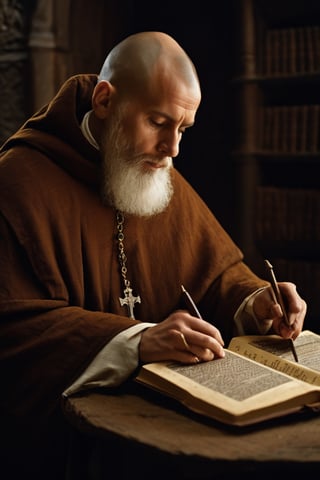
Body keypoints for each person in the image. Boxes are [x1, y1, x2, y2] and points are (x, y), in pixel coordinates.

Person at [0, 31, 306, 478]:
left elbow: (214, 273)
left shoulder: (151, 170)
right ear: (104, 100)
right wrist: (137, 339)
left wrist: (256, 299)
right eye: (159, 122)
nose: (173, 149)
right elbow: (12, 329)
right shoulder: (17, 183)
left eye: (183, 129)